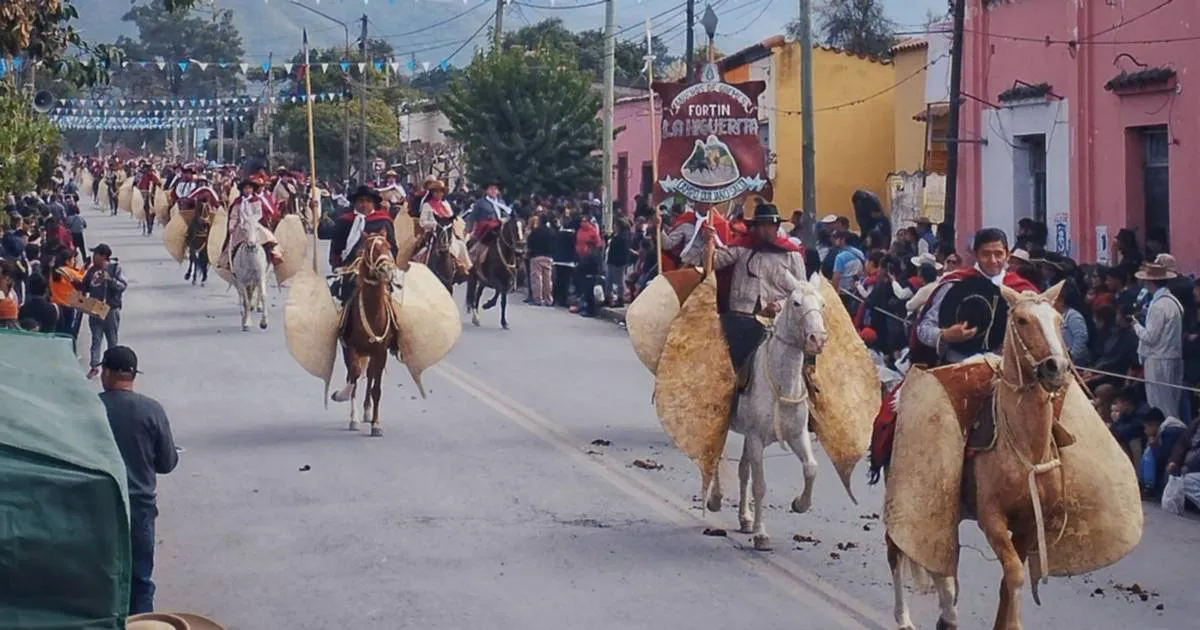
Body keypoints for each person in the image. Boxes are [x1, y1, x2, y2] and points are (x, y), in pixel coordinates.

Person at [684, 203, 807, 386]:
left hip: (778, 320)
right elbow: (713, 262)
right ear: (755, 227)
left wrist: (779, 305)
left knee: (800, 363)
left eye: (770, 226)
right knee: (726, 365)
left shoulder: (792, 255)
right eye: (762, 226)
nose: (767, 230)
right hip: (742, 316)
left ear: (776, 227)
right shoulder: (742, 247)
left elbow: (802, 292)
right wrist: (707, 242)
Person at [97, 346, 178, 614]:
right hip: (140, 509)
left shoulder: (91, 409)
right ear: (132, 376)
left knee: (103, 579)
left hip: (98, 506)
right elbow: (167, 464)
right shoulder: (152, 410)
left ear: (106, 373)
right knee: (140, 581)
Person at [909, 228, 1038, 366]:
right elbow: (924, 328)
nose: (993, 260)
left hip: (1008, 373)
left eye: (998, 254)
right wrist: (945, 335)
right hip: (957, 369)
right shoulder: (955, 284)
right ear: (975, 254)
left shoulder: (1021, 291)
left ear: (1007, 255)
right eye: (986, 254)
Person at [329, 185, 399, 305]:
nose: (364, 204)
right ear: (355, 203)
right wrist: (337, 265)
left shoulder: (384, 221)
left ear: (373, 204)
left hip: (379, 266)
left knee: (393, 297)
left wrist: (388, 263)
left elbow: (392, 246)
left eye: (368, 201)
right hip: (350, 266)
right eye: (361, 201)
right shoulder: (344, 221)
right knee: (344, 296)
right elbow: (336, 247)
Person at [1132, 262, 1184, 419]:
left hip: (1159, 360)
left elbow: (1150, 337)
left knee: (1160, 406)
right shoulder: (1173, 302)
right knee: (1171, 403)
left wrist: (1135, 325)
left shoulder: (1159, 306)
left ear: (1150, 282)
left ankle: (1167, 438)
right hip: (1172, 356)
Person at [78, 244, 127, 379]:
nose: (93, 257)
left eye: (96, 255)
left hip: (111, 309)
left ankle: (113, 366)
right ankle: (94, 366)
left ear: (104, 256)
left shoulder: (115, 268)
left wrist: (110, 280)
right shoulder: (92, 270)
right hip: (95, 307)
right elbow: (86, 286)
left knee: (112, 339)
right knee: (96, 338)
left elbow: (123, 286)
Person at [218, 178, 283, 270]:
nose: (248, 190)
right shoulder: (238, 202)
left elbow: (259, 213)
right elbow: (234, 215)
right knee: (232, 244)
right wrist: (231, 226)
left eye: (249, 188)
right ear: (242, 190)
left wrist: (251, 221)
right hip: (241, 226)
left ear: (252, 190)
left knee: (269, 238)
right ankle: (229, 262)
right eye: (246, 188)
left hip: (254, 224)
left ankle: (273, 256)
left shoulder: (256, 201)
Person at [416, 180, 470, 277]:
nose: (438, 194)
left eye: (440, 191)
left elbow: (451, 217)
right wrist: (433, 224)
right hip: (433, 234)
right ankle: (421, 267)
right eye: (436, 192)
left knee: (461, 245)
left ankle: (464, 267)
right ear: (432, 193)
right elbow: (422, 222)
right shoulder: (427, 205)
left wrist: (450, 223)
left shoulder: (446, 205)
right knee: (423, 251)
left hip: (447, 232)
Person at [467, 180, 514, 266]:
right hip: (486, 228)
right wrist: (469, 229)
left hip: (501, 226)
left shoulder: (501, 202)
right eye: (491, 188)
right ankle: (475, 258)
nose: (493, 190)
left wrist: (504, 219)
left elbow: (507, 215)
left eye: (495, 189)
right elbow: (472, 216)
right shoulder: (480, 203)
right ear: (486, 191)